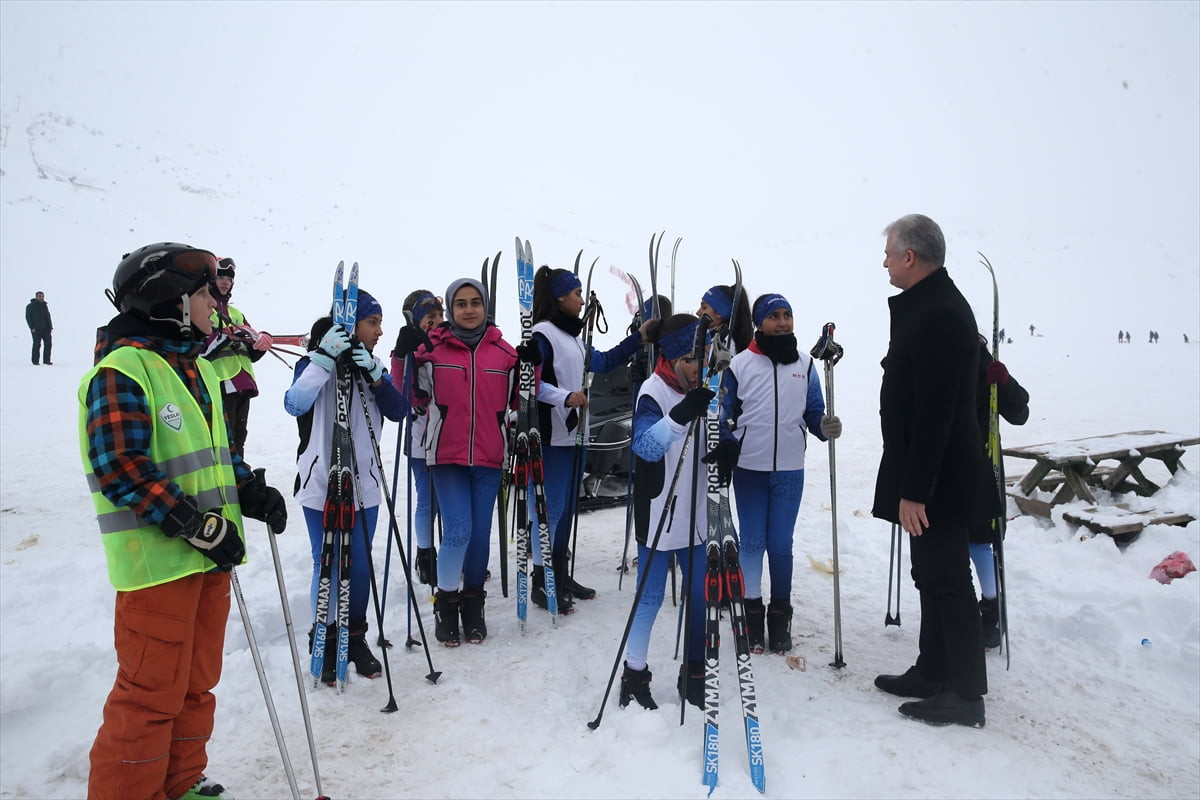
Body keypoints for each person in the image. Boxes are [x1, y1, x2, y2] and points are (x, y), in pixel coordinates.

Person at [81, 242, 287, 800]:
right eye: (201, 293)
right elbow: (119, 467)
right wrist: (196, 525)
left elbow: (214, 450)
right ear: (170, 300)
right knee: (150, 696)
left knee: (196, 687)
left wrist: (247, 489)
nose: (213, 303)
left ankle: (179, 782)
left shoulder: (192, 365)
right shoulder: (122, 370)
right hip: (158, 569)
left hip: (208, 561)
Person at [872, 214, 999, 728]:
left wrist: (916, 490)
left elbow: (936, 413)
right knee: (930, 574)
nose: (883, 260)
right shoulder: (927, 305)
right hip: (932, 474)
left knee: (947, 581)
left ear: (909, 257)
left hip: (940, 480)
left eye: (888, 252)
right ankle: (932, 670)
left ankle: (966, 695)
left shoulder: (941, 313)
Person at [395, 277, 528, 646]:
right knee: (457, 531)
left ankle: (473, 604)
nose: (469, 310)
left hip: (489, 457)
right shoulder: (432, 352)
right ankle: (446, 602)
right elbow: (406, 397)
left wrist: (535, 363)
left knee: (480, 535)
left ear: (485, 307)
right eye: (461, 304)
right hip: (447, 455)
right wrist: (400, 356)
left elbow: (521, 400)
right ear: (451, 310)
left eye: (475, 303)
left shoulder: (505, 354)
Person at [708, 293, 842, 655]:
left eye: (788, 315)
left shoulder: (805, 364)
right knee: (752, 541)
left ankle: (780, 616)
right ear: (759, 323)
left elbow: (813, 411)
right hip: (750, 468)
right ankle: (752, 613)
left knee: (781, 544)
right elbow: (726, 412)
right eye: (774, 316)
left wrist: (823, 425)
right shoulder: (739, 365)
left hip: (789, 470)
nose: (783, 322)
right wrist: (726, 438)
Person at [285, 289, 404, 683]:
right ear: (351, 324)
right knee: (328, 563)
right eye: (373, 323)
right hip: (321, 482)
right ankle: (325, 635)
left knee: (358, 561)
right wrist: (322, 358)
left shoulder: (372, 365)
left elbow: (399, 410)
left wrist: (374, 373)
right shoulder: (313, 364)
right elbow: (295, 402)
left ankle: (355, 637)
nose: (380, 331)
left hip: (364, 485)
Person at [527, 265, 649, 612]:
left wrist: (639, 337)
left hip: (575, 435)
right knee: (549, 510)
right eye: (577, 294)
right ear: (560, 297)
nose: (582, 301)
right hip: (551, 435)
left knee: (566, 510)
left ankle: (560, 574)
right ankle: (542, 579)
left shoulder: (574, 338)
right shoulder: (541, 335)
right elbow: (529, 383)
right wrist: (564, 397)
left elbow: (606, 361)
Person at [619, 314, 712, 710]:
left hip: (697, 514)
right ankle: (634, 674)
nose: (697, 366)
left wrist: (727, 448)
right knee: (651, 596)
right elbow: (644, 446)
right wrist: (680, 415)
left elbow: (721, 430)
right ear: (672, 358)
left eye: (702, 356)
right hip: (659, 511)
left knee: (699, 596)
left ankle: (693, 672)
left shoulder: (705, 387)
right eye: (690, 358)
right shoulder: (653, 391)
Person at [970, 335, 1030, 648]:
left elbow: (1020, 412)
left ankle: (991, 609)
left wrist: (1003, 383)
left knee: (981, 538)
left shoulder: (981, 357)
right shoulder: (935, 352)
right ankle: (959, 609)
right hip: (943, 462)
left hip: (981, 463)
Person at [389, 289, 445, 587]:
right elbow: (401, 391)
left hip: (450, 438)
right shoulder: (410, 351)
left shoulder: (448, 345)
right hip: (422, 440)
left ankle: (450, 555)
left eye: (439, 316)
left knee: (448, 501)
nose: (436, 322)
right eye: (429, 317)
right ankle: (426, 556)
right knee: (428, 500)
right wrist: (403, 355)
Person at [203, 258, 273, 456]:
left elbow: (250, 353)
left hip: (243, 382)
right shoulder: (206, 309)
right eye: (221, 277)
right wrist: (224, 338)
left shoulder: (236, 313)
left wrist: (261, 342)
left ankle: (239, 481)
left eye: (229, 278)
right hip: (220, 381)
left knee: (239, 435)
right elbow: (200, 350)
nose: (225, 282)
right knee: (225, 436)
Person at [696, 284, 752, 353]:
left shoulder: (725, 346)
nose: (697, 312)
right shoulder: (711, 339)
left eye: (704, 308)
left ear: (719, 313)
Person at [26, 290, 53, 365]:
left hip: (46, 329)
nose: (41, 298)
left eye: (42, 296)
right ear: (36, 297)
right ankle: (35, 361)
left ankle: (46, 361)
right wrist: (32, 327)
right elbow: (28, 317)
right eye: (39, 296)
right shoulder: (30, 306)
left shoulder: (44, 305)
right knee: (37, 345)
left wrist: (50, 327)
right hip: (36, 330)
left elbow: (48, 316)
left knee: (48, 344)